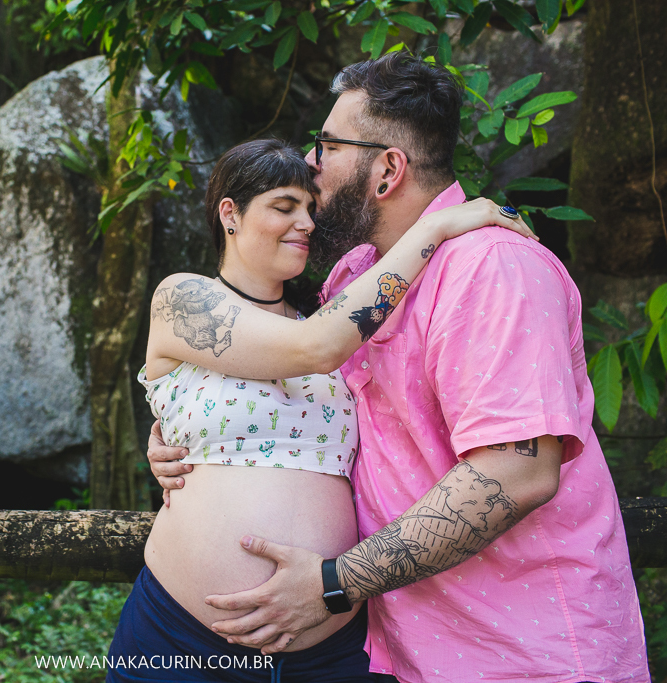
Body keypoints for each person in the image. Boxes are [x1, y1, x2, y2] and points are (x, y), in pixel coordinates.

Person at [147, 52, 651, 683]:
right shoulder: (353, 277)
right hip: (402, 650)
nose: (311, 161)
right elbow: (300, 387)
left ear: (388, 169)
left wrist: (336, 582)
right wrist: (181, 429)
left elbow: (517, 471)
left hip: (525, 651)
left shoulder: (493, 268)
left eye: (329, 145)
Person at [106, 137, 533, 683]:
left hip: (329, 648)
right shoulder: (182, 299)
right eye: (284, 207)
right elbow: (310, 349)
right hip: (184, 640)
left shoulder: (328, 317)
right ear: (230, 214)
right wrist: (437, 225)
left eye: (310, 208)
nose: (305, 223)